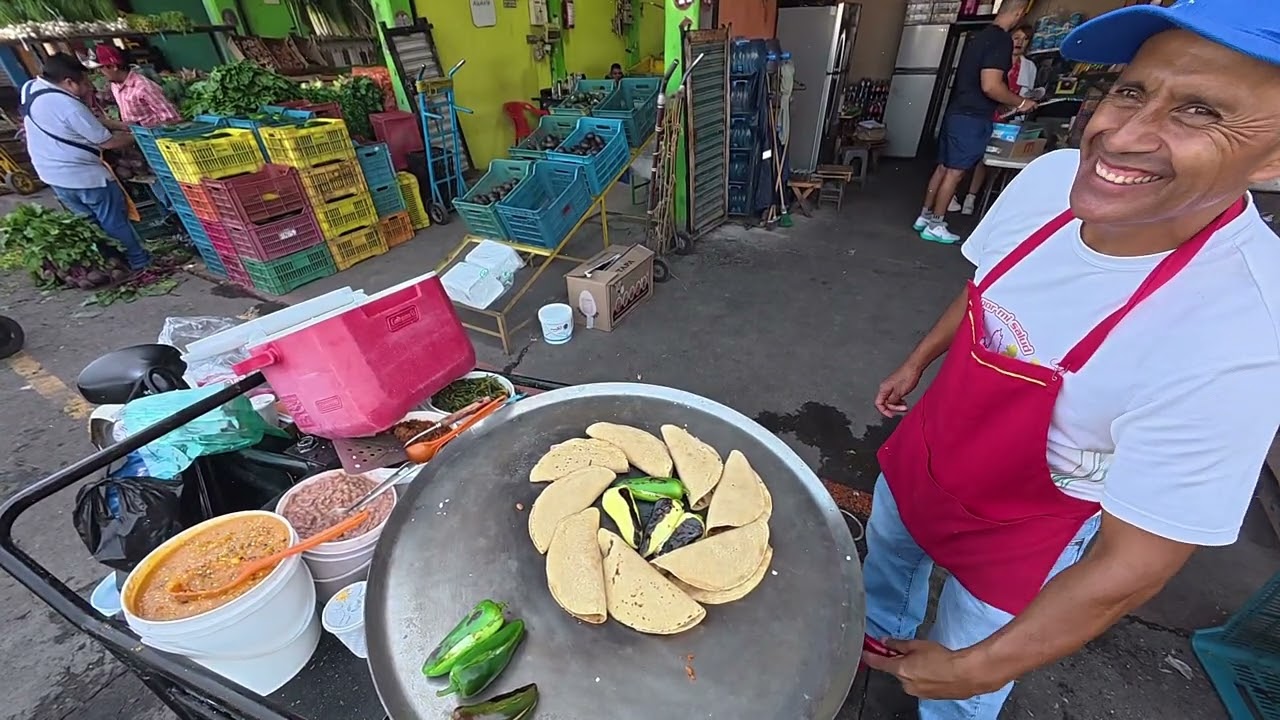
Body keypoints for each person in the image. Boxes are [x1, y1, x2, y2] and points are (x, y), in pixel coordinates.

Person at [862, 1, 1280, 718]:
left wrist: (974, 670)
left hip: (1023, 527)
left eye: (1201, 112)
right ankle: (869, 655)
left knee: (961, 689)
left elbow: (1133, 564)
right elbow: (985, 289)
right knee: (885, 574)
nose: (1123, 135)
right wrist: (919, 359)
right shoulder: (1050, 178)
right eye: (1130, 91)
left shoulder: (1241, 331)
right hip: (926, 456)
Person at [913, 0, 1035, 244]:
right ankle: (936, 224)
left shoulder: (979, 37)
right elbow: (991, 86)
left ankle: (925, 217)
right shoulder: (1001, 41)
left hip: (956, 112)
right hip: (972, 119)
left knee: (944, 167)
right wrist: (1020, 103)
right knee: (955, 173)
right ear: (1020, 13)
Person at [21, 53, 150, 270]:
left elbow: (78, 123)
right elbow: (107, 143)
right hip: (85, 177)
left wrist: (121, 124)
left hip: (52, 175)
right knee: (112, 220)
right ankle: (139, 261)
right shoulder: (69, 105)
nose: (90, 87)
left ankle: (114, 263)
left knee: (89, 223)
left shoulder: (30, 89)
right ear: (69, 82)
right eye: (86, 82)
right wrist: (140, 136)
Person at [950, 23, 1037, 216]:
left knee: (987, 159)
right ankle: (953, 194)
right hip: (989, 112)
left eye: (1024, 39)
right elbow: (990, 87)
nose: (1019, 42)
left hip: (1010, 118)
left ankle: (971, 197)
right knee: (970, 154)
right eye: (1016, 37)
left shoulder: (1029, 67)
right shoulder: (997, 56)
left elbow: (1027, 92)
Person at [87, 44, 180, 128]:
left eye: (100, 69)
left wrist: (148, 130)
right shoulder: (115, 85)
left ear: (113, 66)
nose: (99, 73)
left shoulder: (143, 87)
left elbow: (172, 118)